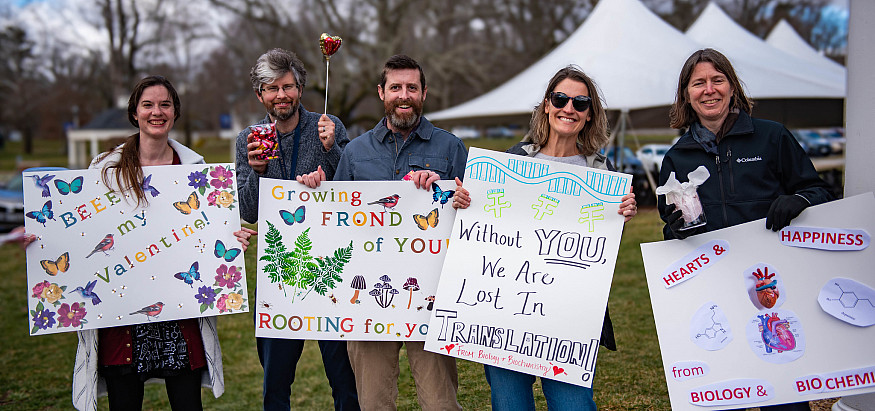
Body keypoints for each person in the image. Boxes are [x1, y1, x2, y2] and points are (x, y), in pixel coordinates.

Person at [451, 65, 637, 411]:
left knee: (574, 405)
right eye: (561, 98)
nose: (569, 108)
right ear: (547, 106)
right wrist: (465, 203)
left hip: (571, 315)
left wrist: (621, 214)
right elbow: (484, 228)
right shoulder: (512, 161)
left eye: (580, 103)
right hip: (505, 309)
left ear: (589, 114)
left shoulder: (602, 171)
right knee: (510, 406)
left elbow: (601, 248)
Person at [67, 75, 256, 410]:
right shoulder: (104, 169)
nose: (157, 112)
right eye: (148, 105)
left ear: (175, 112)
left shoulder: (195, 169)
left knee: (187, 405)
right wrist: (43, 243)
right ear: (135, 112)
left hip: (178, 314)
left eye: (165, 105)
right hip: (121, 317)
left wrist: (230, 238)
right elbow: (82, 233)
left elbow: (205, 233)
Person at [658, 49, 833, 410]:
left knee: (782, 391)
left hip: (772, 285)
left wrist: (799, 198)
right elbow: (671, 232)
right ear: (686, 94)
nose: (709, 90)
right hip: (715, 290)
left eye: (717, 80)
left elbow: (821, 191)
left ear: (732, 88)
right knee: (726, 391)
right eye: (699, 83)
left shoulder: (771, 137)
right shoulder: (677, 157)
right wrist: (673, 231)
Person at [301, 54, 467, 410]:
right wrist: (315, 191)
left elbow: (470, 215)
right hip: (367, 299)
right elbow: (335, 220)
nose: (403, 95)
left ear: (424, 93)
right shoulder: (356, 152)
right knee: (373, 402)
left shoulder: (450, 147)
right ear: (382, 93)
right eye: (395, 87)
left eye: (411, 87)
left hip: (430, 297)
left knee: (440, 402)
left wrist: (443, 191)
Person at [234, 48, 358, 411]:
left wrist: (332, 154)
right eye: (271, 88)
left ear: (300, 88)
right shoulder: (249, 139)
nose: (281, 95)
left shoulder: (327, 127)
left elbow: (354, 190)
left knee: (344, 380)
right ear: (260, 95)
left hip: (329, 270)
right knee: (275, 384)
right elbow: (248, 211)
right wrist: (256, 174)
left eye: (287, 86)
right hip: (278, 274)